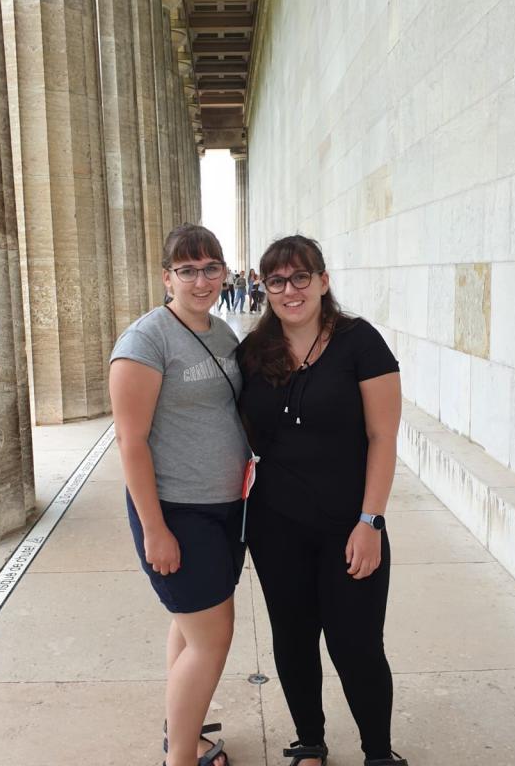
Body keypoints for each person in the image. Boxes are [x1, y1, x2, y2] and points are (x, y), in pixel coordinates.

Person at [238, 235, 407, 766]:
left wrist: (371, 520)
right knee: (292, 639)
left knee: (356, 644)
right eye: (277, 281)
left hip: (348, 525)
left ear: (323, 281)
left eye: (300, 277)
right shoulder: (253, 351)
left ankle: (378, 752)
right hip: (275, 525)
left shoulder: (361, 343)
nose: (290, 290)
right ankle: (310, 741)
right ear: (265, 288)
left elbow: (383, 437)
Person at [110, 224, 250, 766]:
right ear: (167, 277)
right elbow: (131, 442)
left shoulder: (222, 334)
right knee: (213, 639)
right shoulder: (145, 342)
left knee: (191, 628)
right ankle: (182, 760)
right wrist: (154, 529)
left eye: (210, 268)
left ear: (224, 273)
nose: (200, 280)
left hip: (226, 507)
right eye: (187, 270)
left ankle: (182, 735)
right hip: (176, 511)